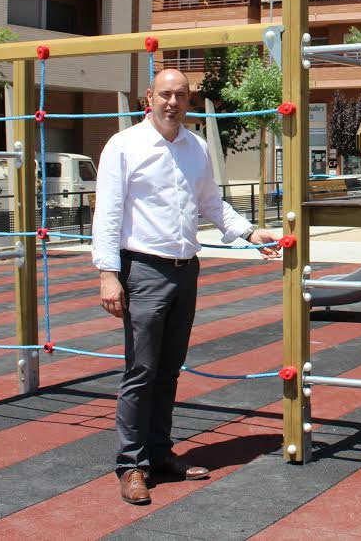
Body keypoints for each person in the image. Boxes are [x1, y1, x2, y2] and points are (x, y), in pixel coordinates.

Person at [93, 68, 283, 506]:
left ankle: (159, 454)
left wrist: (249, 233)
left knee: (169, 370)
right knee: (141, 370)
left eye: (180, 95)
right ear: (149, 97)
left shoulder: (196, 147)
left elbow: (210, 202)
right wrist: (107, 273)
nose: (172, 103)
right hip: (142, 269)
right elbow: (108, 213)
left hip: (185, 270)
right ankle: (131, 464)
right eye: (165, 94)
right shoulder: (124, 145)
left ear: (188, 100)